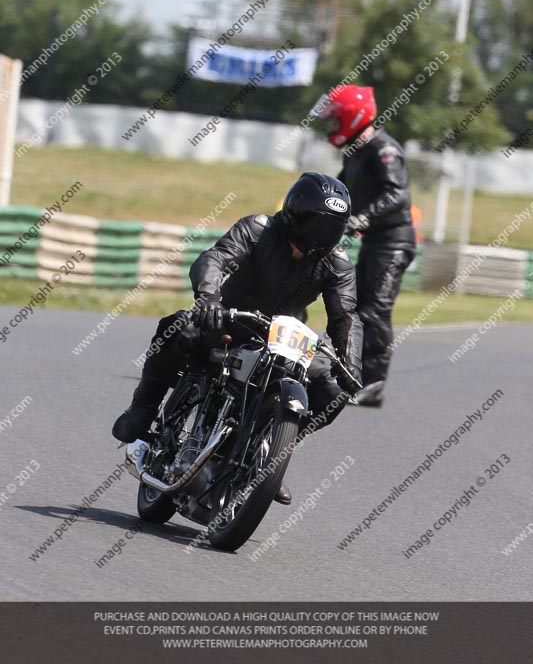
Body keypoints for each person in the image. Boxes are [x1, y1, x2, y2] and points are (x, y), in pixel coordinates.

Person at [112, 172, 364, 505]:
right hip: (228, 321)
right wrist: (209, 296)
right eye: (318, 224)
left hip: (283, 339)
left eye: (333, 227)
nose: (323, 236)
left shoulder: (337, 264)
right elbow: (215, 258)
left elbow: (346, 316)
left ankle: (268, 457)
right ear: (296, 212)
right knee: (177, 328)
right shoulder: (258, 228)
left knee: (332, 390)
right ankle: (142, 409)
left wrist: (351, 363)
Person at [313, 84, 416, 407]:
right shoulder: (356, 151)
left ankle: (374, 383)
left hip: (394, 242)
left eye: (334, 120)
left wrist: (361, 218)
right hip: (375, 241)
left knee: (375, 309)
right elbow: (339, 192)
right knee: (355, 306)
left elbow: (397, 194)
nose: (331, 127)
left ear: (352, 116)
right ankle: (347, 372)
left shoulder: (384, 149)